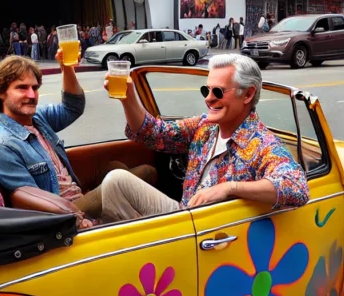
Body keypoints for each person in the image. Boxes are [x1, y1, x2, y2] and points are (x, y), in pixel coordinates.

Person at [98, 54, 310, 222]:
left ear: (247, 95)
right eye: (206, 90)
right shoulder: (204, 126)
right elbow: (153, 133)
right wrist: (127, 97)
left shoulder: (263, 143)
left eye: (218, 91)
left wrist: (228, 188)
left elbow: (296, 188)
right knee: (116, 181)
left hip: (214, 232)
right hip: (183, 217)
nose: (208, 99)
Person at [0, 53, 156, 220]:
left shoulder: (36, 118)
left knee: (135, 170)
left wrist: (67, 67)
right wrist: (75, 215)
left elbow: (73, 107)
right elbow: (34, 205)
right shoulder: (1, 146)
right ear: (1, 92)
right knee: (120, 183)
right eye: (21, 88)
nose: (31, 95)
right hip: (64, 211)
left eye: (34, 88)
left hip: (76, 192)